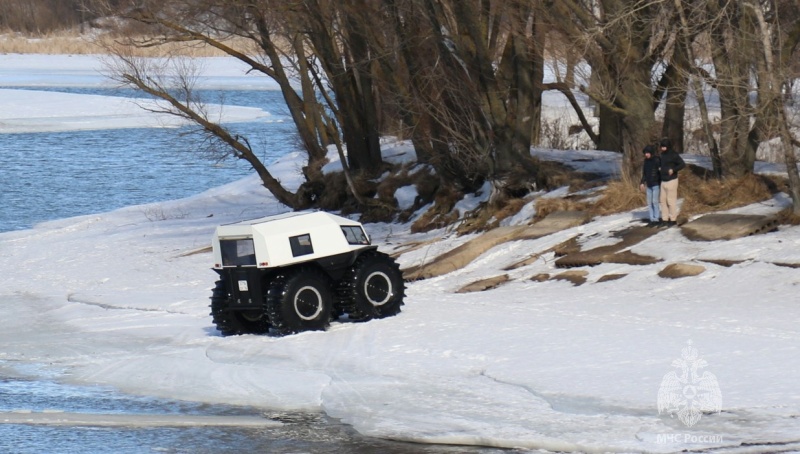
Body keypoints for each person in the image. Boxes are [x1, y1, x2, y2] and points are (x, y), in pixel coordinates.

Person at [657, 138, 685, 227]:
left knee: (671, 201)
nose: (662, 148)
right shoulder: (662, 155)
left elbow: (682, 164)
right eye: (661, 147)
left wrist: (674, 170)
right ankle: (665, 219)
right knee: (662, 201)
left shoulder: (674, 154)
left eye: (664, 147)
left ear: (668, 146)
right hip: (663, 180)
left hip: (672, 180)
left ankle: (673, 219)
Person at [639, 145, 661, 227]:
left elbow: (660, 172)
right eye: (645, 153)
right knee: (649, 202)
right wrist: (642, 182)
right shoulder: (646, 162)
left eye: (647, 153)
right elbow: (644, 173)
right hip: (649, 185)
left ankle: (656, 218)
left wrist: (660, 182)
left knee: (655, 202)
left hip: (655, 184)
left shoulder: (656, 160)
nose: (646, 155)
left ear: (651, 153)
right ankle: (652, 218)